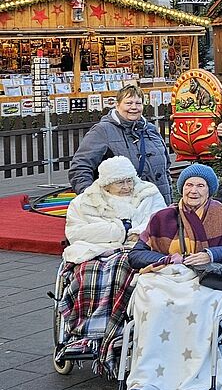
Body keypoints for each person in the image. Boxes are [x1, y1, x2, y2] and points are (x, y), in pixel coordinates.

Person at [125, 164, 222, 390]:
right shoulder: (162, 217)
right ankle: (146, 382)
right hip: (166, 276)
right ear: (181, 188)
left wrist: (211, 255)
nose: (194, 190)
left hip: (205, 278)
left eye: (200, 185)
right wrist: (168, 259)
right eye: (189, 185)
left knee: (198, 306)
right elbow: (136, 255)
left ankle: (195, 382)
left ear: (209, 190)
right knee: (153, 305)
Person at [58, 157, 166, 374]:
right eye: (120, 183)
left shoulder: (148, 193)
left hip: (135, 250)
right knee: (88, 274)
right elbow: (76, 232)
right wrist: (119, 230)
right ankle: (87, 333)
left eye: (129, 181)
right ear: (106, 183)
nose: (127, 187)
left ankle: (115, 331)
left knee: (123, 270)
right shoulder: (86, 201)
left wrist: (138, 234)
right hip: (95, 250)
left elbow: (159, 221)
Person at [69, 85, 173, 204]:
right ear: (117, 105)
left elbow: (165, 170)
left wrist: (168, 204)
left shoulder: (151, 130)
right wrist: (91, 198)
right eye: (128, 103)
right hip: (122, 209)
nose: (134, 107)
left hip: (158, 205)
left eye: (138, 103)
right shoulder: (102, 131)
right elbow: (80, 167)